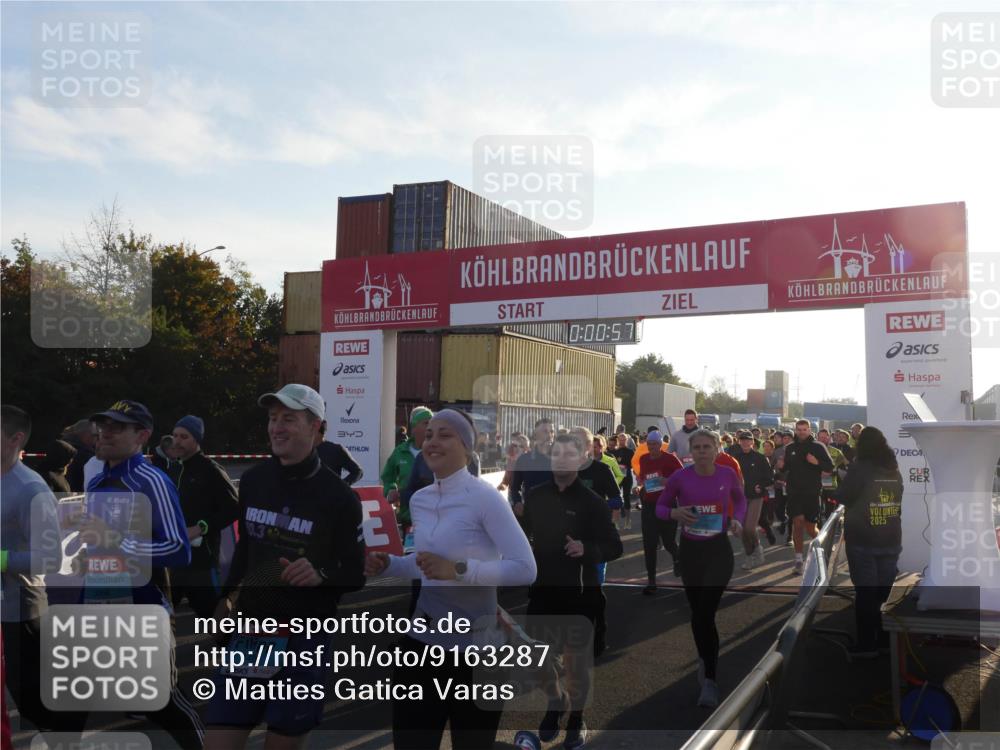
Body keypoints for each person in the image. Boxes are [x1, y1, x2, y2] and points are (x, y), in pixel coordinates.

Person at [204, 384, 365, 749]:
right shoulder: (255, 481)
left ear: (316, 427)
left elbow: (355, 573)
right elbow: (247, 547)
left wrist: (321, 574)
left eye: (288, 419)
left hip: (303, 638)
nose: (277, 427)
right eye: (273, 418)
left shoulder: (339, 497)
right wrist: (225, 597)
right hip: (251, 634)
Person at [365, 409, 537, 750]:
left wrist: (458, 569)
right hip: (422, 644)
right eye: (429, 434)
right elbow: (427, 566)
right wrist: (391, 565)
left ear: (467, 447)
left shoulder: (486, 498)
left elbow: (525, 568)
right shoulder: (421, 499)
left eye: (445, 434)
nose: (432, 441)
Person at [76, 399, 204, 746]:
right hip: (103, 609)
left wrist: (116, 541)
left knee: (163, 704)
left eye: (117, 427)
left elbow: (178, 548)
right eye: (103, 425)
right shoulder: (99, 479)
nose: (105, 432)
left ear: (142, 435)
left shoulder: (151, 480)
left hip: (142, 610)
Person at [523, 433, 623, 749]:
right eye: (557, 453)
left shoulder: (592, 503)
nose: (562, 458)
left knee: (577, 663)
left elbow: (614, 546)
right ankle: (557, 700)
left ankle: (577, 721)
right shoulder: (536, 496)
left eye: (570, 453)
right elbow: (522, 536)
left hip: (580, 593)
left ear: (582, 460)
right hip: (542, 590)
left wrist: (587, 548)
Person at [656, 429, 746, 708]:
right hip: (691, 552)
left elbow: (740, 500)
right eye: (698, 447)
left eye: (708, 446)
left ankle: (710, 678)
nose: (702, 451)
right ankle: (706, 655)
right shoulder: (680, 477)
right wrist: (673, 513)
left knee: (706, 611)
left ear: (718, 449)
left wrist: (737, 520)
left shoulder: (727, 474)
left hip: (719, 551)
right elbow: (660, 506)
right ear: (690, 451)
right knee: (699, 614)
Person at [1, 405, 77, 734]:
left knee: (33, 703)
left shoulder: (31, 489)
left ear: (16, 439)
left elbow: (50, 558)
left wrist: (1, 559)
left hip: (21, 611)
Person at [833, 426, 903, 658]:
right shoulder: (893, 469)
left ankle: (866, 645)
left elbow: (843, 495)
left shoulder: (860, 468)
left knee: (865, 593)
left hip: (863, 537)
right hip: (890, 537)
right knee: (884, 593)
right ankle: (884, 640)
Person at [168, 415, 240, 618]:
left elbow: (234, 507)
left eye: (184, 436)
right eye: (175, 436)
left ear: (197, 440)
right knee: (159, 619)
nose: (177, 441)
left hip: (202, 563)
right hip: (173, 560)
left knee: (216, 622)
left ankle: (236, 648)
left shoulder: (211, 470)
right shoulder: (173, 468)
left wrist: (200, 527)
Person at [781, 420, 834, 574]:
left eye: (804, 429)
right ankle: (798, 560)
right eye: (799, 429)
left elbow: (830, 467)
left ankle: (824, 547)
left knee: (810, 528)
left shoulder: (818, 446)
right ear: (795, 430)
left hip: (812, 492)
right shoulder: (790, 447)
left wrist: (816, 461)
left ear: (809, 430)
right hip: (794, 492)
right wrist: (781, 466)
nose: (802, 432)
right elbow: (785, 468)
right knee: (797, 523)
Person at [637, 430, 684, 592]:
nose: (652, 447)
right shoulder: (643, 459)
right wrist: (640, 485)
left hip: (667, 504)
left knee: (669, 542)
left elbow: (682, 476)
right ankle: (651, 581)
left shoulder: (670, 458)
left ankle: (677, 558)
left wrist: (668, 480)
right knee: (649, 544)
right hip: (649, 505)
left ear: (660, 444)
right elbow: (643, 478)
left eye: (655, 444)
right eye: (649, 444)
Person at [380, 406, 433, 526]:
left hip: (431, 517)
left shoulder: (437, 452)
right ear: (414, 428)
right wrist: (391, 490)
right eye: (426, 423)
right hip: (406, 517)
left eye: (432, 423)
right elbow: (388, 477)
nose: (430, 427)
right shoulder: (400, 451)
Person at [732, 432, 774, 571]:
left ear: (752, 442)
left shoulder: (760, 458)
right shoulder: (735, 458)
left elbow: (769, 478)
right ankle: (749, 556)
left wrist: (760, 486)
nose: (745, 442)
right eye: (742, 440)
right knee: (743, 530)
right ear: (739, 442)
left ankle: (758, 548)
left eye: (747, 440)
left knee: (750, 528)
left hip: (756, 497)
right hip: (740, 497)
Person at [508, 418, 556, 517]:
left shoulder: (560, 460)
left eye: (552, 431)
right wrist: (517, 502)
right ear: (535, 435)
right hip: (530, 515)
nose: (550, 435)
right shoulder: (524, 460)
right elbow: (514, 488)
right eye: (545, 432)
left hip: (554, 515)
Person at [314, 419, 364, 485]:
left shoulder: (336, 450)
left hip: (330, 494)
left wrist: (341, 486)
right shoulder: (302, 450)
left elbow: (358, 472)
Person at [60, 418, 96, 492]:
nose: (97, 438)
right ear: (86, 434)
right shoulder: (86, 455)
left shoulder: (61, 446)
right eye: (95, 435)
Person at [608, 433, 635, 530]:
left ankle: (628, 520)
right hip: (617, 477)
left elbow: (633, 465)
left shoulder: (630, 452)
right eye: (620, 439)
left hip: (627, 477)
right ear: (618, 440)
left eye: (624, 440)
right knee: (615, 497)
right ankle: (616, 521)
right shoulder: (614, 452)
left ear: (627, 440)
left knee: (627, 497)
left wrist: (626, 467)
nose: (622, 441)